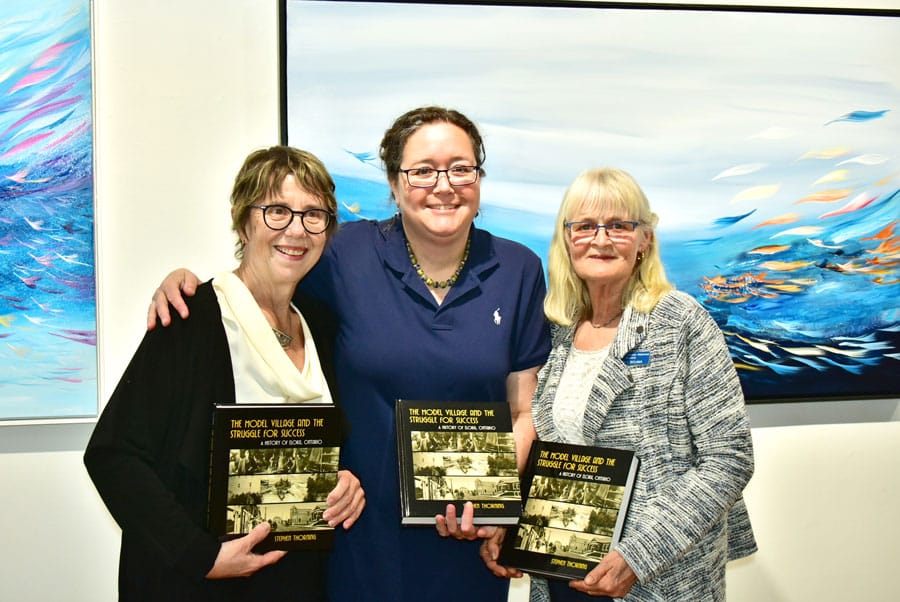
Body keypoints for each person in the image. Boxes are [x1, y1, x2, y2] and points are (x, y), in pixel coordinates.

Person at [147, 107, 552, 601]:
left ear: (478, 177)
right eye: (423, 170)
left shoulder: (519, 268)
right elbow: (263, 287)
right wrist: (189, 284)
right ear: (394, 182)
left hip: (464, 536)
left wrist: (490, 507)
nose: (444, 185)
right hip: (354, 530)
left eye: (461, 168)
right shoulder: (343, 254)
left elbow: (524, 408)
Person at [84, 146, 366, 602]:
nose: (296, 229)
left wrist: (344, 482)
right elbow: (113, 456)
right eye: (277, 211)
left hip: (296, 582)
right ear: (243, 220)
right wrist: (200, 556)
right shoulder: (191, 318)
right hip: (198, 584)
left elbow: (319, 445)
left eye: (314, 214)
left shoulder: (321, 325)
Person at [481, 167, 756, 601]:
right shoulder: (558, 330)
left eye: (620, 226)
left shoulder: (680, 321)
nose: (602, 239)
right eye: (586, 226)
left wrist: (638, 554)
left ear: (644, 240)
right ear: (566, 239)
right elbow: (558, 454)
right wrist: (514, 524)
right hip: (562, 572)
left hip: (657, 576)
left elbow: (729, 459)